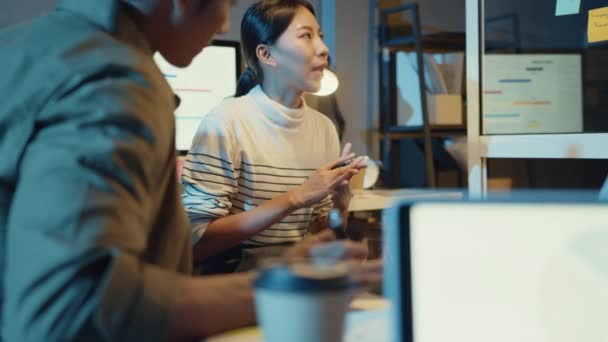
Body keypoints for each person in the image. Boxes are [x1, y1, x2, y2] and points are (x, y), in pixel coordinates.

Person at [0, 0, 380, 340]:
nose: (222, 28)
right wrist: (278, 288)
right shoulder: (112, 81)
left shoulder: (27, 46)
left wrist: (332, 219)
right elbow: (75, 306)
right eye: (226, 4)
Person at [181, 0, 365, 273]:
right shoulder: (226, 121)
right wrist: (298, 196)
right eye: (306, 36)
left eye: (321, 37)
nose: (324, 49)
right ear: (267, 55)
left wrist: (340, 206)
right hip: (235, 280)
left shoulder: (324, 128)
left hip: (296, 274)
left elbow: (322, 234)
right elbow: (195, 243)